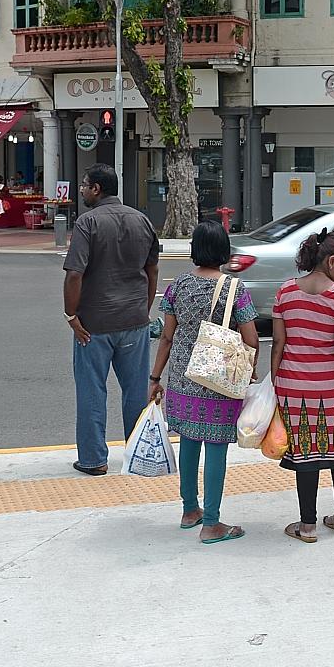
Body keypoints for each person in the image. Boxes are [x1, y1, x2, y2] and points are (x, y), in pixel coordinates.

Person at [148, 221, 259, 544]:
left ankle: (189, 510)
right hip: (218, 382)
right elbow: (250, 336)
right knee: (215, 448)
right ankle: (212, 523)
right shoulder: (235, 289)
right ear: (224, 251)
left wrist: (155, 378)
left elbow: (167, 337)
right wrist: (250, 370)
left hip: (183, 379)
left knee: (189, 442)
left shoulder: (177, 285)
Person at [271, 229, 334, 543]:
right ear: (331, 261)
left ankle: (308, 526)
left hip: (295, 390)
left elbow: (278, 343)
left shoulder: (285, 291)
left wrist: (274, 381)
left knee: (305, 455)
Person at [63, 164, 161, 475]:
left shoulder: (87, 222)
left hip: (93, 322)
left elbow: (74, 274)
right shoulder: (142, 219)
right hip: (134, 318)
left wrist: (71, 315)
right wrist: (143, 309)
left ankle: (94, 459)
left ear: (96, 189)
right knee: (135, 391)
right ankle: (137, 456)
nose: (81, 190)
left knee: (92, 390)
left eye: (84, 185)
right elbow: (153, 270)